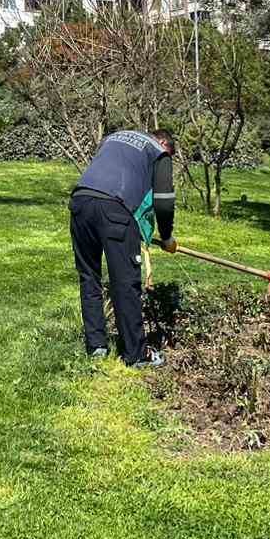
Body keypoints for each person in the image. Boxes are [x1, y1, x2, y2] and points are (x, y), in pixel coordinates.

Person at [69, 129, 177, 368]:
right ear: (163, 143)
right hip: (115, 209)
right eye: (171, 154)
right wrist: (167, 237)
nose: (169, 158)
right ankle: (136, 355)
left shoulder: (113, 138)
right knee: (125, 282)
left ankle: (96, 346)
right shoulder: (159, 151)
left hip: (80, 202)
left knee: (89, 277)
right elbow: (164, 199)